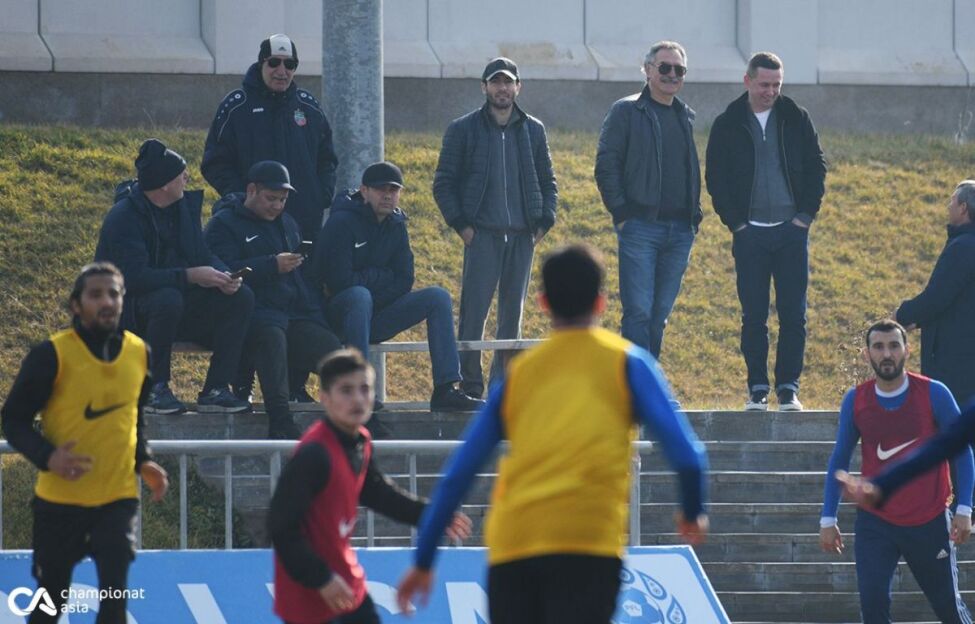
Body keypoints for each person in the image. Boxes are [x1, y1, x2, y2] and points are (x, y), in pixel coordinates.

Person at [396, 244, 709, 624]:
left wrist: (424, 559)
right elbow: (688, 457)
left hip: (514, 548)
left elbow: (459, 472)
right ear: (601, 302)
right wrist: (692, 512)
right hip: (587, 545)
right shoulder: (627, 363)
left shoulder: (521, 375)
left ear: (543, 303)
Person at [1, 263, 169, 623]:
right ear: (76, 305)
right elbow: (13, 420)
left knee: (114, 603)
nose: (107, 301)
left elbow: (133, 416)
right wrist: (48, 456)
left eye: (114, 293)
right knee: (51, 602)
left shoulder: (140, 352)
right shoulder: (52, 355)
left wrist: (143, 460)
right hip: (61, 503)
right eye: (96, 294)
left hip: (117, 500)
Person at [268, 349, 471, 624]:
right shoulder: (314, 454)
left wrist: (432, 515)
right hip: (310, 587)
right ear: (325, 398)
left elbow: (377, 493)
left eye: (365, 389)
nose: (358, 399)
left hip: (344, 574)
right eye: (346, 391)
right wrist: (321, 578)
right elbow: (281, 527)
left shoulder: (360, 440)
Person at [819, 319, 973, 623]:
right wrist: (827, 517)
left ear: (907, 350)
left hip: (929, 519)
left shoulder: (934, 393)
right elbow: (839, 459)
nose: (886, 354)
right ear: (867, 354)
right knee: (873, 610)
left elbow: (962, 449)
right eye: (878, 347)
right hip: (875, 523)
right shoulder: (856, 400)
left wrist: (965, 507)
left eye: (893, 346)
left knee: (950, 611)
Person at [309, 161, 486, 413]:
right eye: (380, 189)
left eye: (393, 190)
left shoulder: (396, 224)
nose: (388, 195)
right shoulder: (341, 223)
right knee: (359, 296)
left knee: (437, 297)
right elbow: (340, 281)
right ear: (364, 190)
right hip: (337, 318)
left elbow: (405, 280)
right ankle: (359, 390)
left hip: (376, 315)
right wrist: (382, 277)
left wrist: (371, 282)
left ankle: (446, 389)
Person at [95, 138, 254, 415]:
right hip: (125, 309)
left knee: (241, 298)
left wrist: (223, 275)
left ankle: (216, 389)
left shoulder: (181, 209)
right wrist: (190, 276)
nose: (187, 178)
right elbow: (132, 278)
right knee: (167, 298)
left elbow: (201, 253)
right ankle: (154, 389)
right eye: (182, 174)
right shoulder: (124, 218)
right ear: (165, 184)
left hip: (175, 305)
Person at [705, 51, 827, 411]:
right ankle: (757, 388)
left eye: (777, 84)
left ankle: (788, 389)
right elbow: (715, 177)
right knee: (754, 316)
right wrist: (737, 224)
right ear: (747, 81)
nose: (771, 91)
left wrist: (804, 217)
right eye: (764, 84)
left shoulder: (796, 117)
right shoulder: (728, 123)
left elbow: (817, 166)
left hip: (792, 233)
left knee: (794, 316)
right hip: (750, 236)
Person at [433, 56, 558, 398]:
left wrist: (543, 222)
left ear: (518, 87)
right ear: (484, 87)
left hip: (522, 236)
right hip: (482, 235)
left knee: (511, 319)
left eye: (508, 82)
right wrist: (462, 226)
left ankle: (502, 389)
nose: (502, 88)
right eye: (495, 81)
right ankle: (470, 386)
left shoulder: (533, 129)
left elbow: (548, 180)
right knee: (473, 315)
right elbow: (443, 183)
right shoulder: (463, 129)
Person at [205, 161, 342, 439]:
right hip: (253, 313)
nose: (277, 206)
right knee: (272, 337)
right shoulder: (224, 224)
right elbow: (223, 271)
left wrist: (314, 314)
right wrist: (271, 265)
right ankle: (280, 420)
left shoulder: (288, 223)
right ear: (251, 190)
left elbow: (302, 278)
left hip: (293, 312)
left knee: (333, 351)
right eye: (271, 198)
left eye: (283, 199)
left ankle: (360, 416)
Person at [594, 40, 702, 367]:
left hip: (680, 231)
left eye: (679, 69)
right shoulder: (626, 111)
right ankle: (635, 386)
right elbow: (606, 165)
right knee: (638, 312)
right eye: (664, 67)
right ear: (647, 70)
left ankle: (647, 380)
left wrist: (694, 217)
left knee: (659, 315)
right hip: (640, 227)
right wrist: (622, 213)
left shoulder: (684, 115)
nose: (672, 74)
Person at [201, 33, 338, 241]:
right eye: (274, 63)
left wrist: (320, 196)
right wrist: (245, 198)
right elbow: (215, 162)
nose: (281, 71)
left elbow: (327, 158)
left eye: (289, 65)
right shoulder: (237, 107)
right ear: (261, 64)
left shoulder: (309, 107)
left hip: (305, 222)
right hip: (253, 223)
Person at [896, 180, 975, 406]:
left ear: (963, 208)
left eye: (952, 200)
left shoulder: (963, 247)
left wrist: (902, 315)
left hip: (957, 359)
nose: (948, 206)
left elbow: (938, 297)